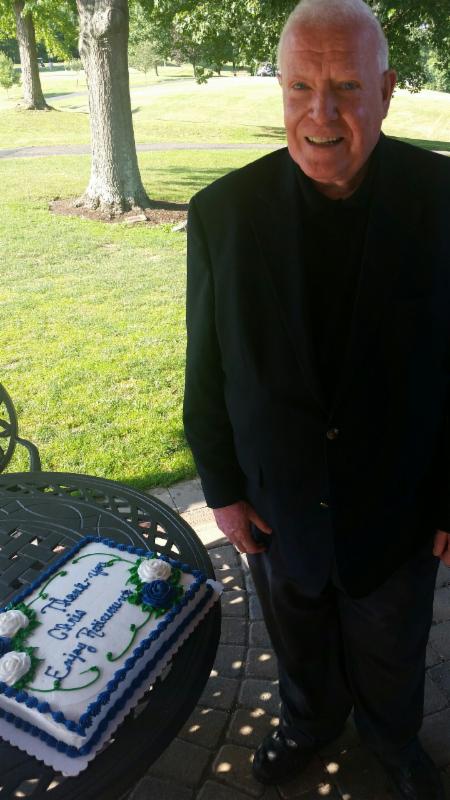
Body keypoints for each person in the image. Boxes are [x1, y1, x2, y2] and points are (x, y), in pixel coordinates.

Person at [183, 0, 450, 797]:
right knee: (296, 638)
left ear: (388, 90)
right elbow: (206, 366)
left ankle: (393, 739)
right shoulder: (223, 213)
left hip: (400, 508)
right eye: (300, 86)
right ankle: (307, 724)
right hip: (277, 504)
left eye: (345, 87)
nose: (320, 114)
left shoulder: (443, 201)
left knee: (394, 641)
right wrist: (222, 489)